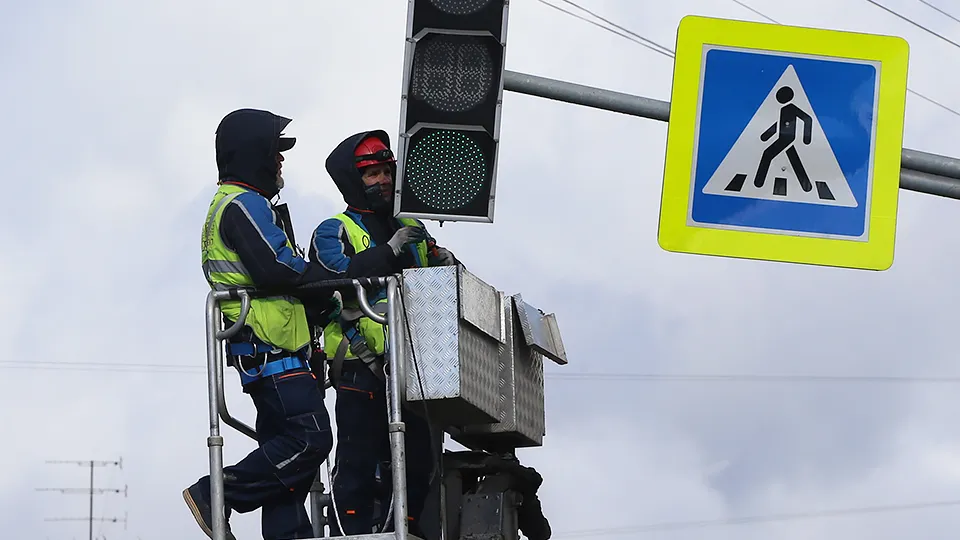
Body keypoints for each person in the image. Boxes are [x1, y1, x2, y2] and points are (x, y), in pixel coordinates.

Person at [184, 108, 343, 540]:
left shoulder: (240, 205)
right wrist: (337, 281)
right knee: (310, 440)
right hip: (272, 355)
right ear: (255, 153)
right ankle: (218, 492)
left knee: (285, 468)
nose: (280, 162)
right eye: (276, 152)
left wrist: (322, 303)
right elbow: (276, 270)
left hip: (270, 353)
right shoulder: (242, 204)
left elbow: (281, 278)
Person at [309, 129, 458, 537]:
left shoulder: (411, 226)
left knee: (420, 461)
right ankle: (350, 535)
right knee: (357, 460)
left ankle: (401, 529)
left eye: (386, 172)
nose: (383, 181)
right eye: (372, 174)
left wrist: (445, 260)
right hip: (361, 366)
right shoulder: (333, 230)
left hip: (413, 367)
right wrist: (389, 251)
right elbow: (336, 278)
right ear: (353, 181)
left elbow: (442, 285)